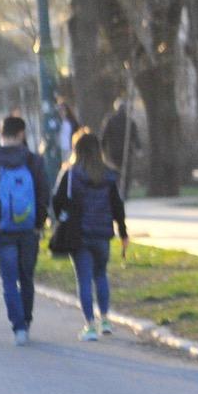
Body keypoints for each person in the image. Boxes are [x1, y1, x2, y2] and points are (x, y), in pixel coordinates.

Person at [0, 114, 51, 345]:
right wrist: (39, 222)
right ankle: (26, 320)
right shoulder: (34, 161)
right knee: (26, 277)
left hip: (3, 230)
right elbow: (43, 194)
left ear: (2, 133)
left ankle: (18, 327)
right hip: (29, 229)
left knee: (9, 280)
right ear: (21, 134)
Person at [50, 129, 128, 341]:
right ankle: (105, 320)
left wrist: (62, 217)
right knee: (101, 276)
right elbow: (117, 206)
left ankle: (90, 326)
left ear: (76, 149)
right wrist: (123, 232)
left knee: (84, 279)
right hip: (102, 234)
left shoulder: (71, 174)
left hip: (79, 234)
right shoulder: (109, 175)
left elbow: (56, 201)